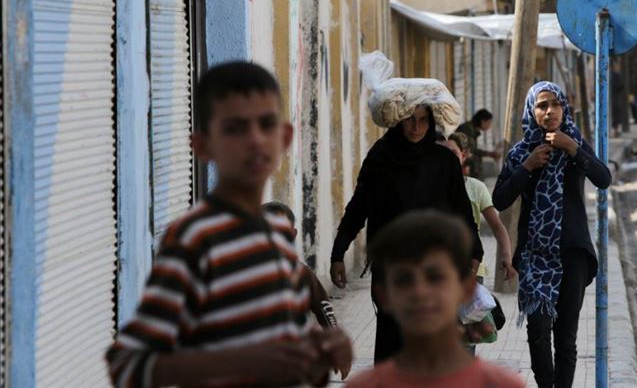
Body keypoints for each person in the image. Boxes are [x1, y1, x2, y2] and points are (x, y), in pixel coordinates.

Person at [105, 63, 352, 387]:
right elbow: (127, 363)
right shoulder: (197, 240)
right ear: (202, 144)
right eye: (235, 128)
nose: (255, 140)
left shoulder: (275, 247)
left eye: (266, 125)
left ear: (285, 137)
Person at [330, 103, 484, 363]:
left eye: (423, 120)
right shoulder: (381, 157)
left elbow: (461, 211)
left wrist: (474, 253)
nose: (416, 127)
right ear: (399, 121)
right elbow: (359, 206)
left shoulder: (444, 161)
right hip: (391, 267)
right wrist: (338, 253)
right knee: (392, 341)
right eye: (410, 119)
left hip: (435, 266)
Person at [492, 81, 611, 388]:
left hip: (574, 253)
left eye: (555, 104)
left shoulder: (575, 144)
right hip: (535, 256)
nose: (549, 111)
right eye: (541, 105)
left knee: (566, 337)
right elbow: (500, 199)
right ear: (531, 111)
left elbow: (603, 178)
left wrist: (572, 148)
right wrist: (527, 167)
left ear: (564, 108)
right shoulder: (521, 153)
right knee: (538, 332)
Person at [344, 210, 525, 388]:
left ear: (467, 288)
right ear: (383, 295)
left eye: (435, 277)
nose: (419, 292)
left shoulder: (500, 384)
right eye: (404, 280)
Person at [440, 132, 517, 284]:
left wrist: (506, 256)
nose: (448, 159)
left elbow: (497, 226)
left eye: (453, 153)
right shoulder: (428, 187)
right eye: (443, 153)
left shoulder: (476, 188)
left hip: (472, 268)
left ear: (464, 155)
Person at [263, 202, 342, 330]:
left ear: (293, 234)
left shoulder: (302, 273)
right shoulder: (242, 272)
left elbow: (325, 310)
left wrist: (333, 335)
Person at [457, 109, 502, 178]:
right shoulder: (468, 129)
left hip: (461, 156)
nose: (489, 126)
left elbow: (472, 149)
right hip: (459, 157)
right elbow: (470, 151)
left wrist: (489, 154)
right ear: (483, 121)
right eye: (489, 123)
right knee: (475, 160)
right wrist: (489, 154)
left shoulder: (471, 128)